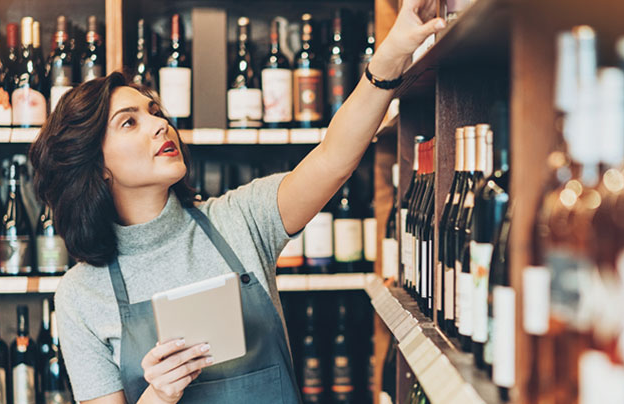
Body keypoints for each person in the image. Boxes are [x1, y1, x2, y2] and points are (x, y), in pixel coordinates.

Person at [28, 1, 445, 402]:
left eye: (155, 112)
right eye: (130, 122)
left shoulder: (240, 219)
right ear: (96, 164)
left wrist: (393, 52)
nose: (159, 125)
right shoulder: (81, 294)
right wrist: (159, 395)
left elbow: (334, 158)